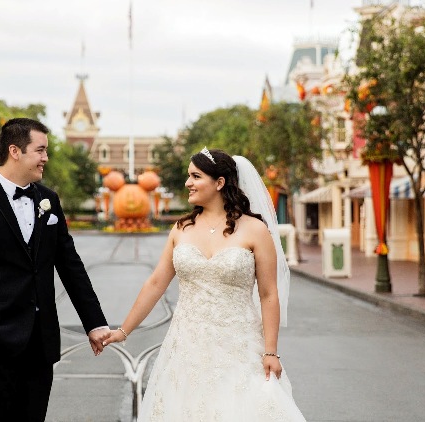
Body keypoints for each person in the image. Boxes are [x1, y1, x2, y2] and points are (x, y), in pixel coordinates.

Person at [103, 147, 306, 421]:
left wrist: (271, 351)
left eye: (195, 176)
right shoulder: (181, 228)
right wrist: (123, 331)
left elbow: (269, 294)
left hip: (240, 346)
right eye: (189, 176)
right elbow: (155, 284)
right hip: (187, 347)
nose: (188, 183)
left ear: (219, 183)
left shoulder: (255, 230)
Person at [0, 118, 110, 421]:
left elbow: (70, 266)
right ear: (15, 151)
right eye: (40, 150)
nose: (46, 158)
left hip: (40, 343)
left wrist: (95, 322)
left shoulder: (49, 199)